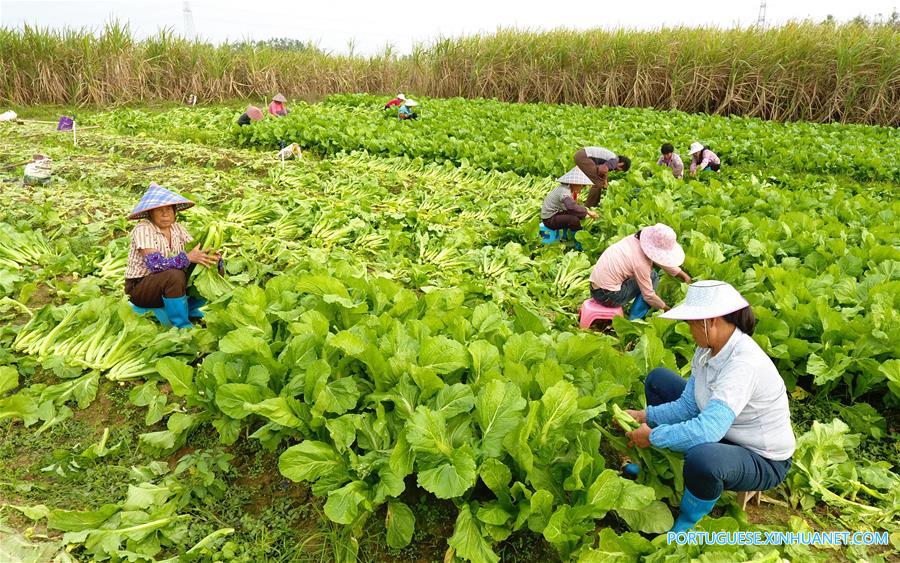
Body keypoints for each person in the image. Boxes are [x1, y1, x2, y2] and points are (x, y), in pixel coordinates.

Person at [621, 280, 796, 532]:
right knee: (658, 380)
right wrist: (644, 415)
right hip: (726, 429)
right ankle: (660, 467)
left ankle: (690, 518)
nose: (690, 330)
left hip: (761, 457)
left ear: (711, 321)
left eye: (692, 323)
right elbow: (688, 406)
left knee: (703, 459)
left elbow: (707, 431)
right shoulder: (707, 349)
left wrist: (655, 435)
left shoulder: (743, 364)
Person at [124, 183, 221, 329]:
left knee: (209, 265)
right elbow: (154, 264)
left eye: (169, 209)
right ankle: (182, 326)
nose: (165, 214)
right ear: (150, 213)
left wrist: (211, 256)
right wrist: (188, 258)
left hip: (170, 286)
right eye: (159, 210)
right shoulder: (143, 229)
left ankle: (191, 310)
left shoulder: (177, 228)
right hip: (141, 288)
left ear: (175, 211)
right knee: (174, 275)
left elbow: (195, 251)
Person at [589, 223, 691, 320]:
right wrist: (667, 309)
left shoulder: (633, 239)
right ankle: (635, 318)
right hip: (608, 297)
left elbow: (659, 258)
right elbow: (648, 295)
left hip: (595, 289)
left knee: (649, 276)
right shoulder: (641, 263)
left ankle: (635, 313)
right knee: (652, 277)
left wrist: (683, 275)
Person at [540, 167, 599, 233]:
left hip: (555, 214)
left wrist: (585, 213)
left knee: (577, 215)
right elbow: (571, 206)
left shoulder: (567, 189)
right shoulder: (564, 191)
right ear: (575, 184)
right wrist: (588, 212)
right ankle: (578, 238)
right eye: (581, 186)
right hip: (549, 219)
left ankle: (576, 233)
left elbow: (572, 206)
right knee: (573, 220)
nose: (581, 188)